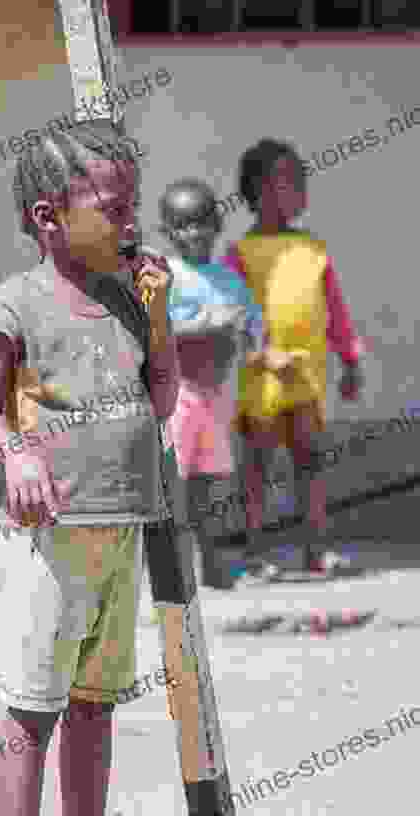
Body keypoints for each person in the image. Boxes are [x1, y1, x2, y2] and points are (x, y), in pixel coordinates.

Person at [0, 119, 178, 816]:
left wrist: (157, 313)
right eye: (113, 206)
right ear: (49, 216)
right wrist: (16, 449)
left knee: (94, 706)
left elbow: (161, 401)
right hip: (48, 538)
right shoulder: (12, 303)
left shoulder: (129, 296)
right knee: (32, 710)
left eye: (132, 205)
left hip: (121, 529)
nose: (131, 220)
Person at [220, 138, 365, 579]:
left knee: (311, 463)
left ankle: (316, 553)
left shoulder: (314, 251)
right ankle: (255, 556)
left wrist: (351, 360)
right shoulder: (239, 256)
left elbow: (335, 310)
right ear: (262, 191)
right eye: (294, 182)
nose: (303, 190)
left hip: (306, 376)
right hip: (261, 378)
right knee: (257, 470)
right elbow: (231, 319)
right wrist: (263, 354)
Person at [158, 177, 264, 588]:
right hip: (180, 395)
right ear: (169, 232)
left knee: (213, 483)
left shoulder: (228, 280)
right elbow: (154, 332)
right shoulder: (165, 277)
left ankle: (214, 567)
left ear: (217, 228)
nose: (195, 233)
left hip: (217, 397)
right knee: (177, 482)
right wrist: (205, 326)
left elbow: (250, 320)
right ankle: (174, 569)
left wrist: (259, 345)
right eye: (184, 225)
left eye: (203, 223)